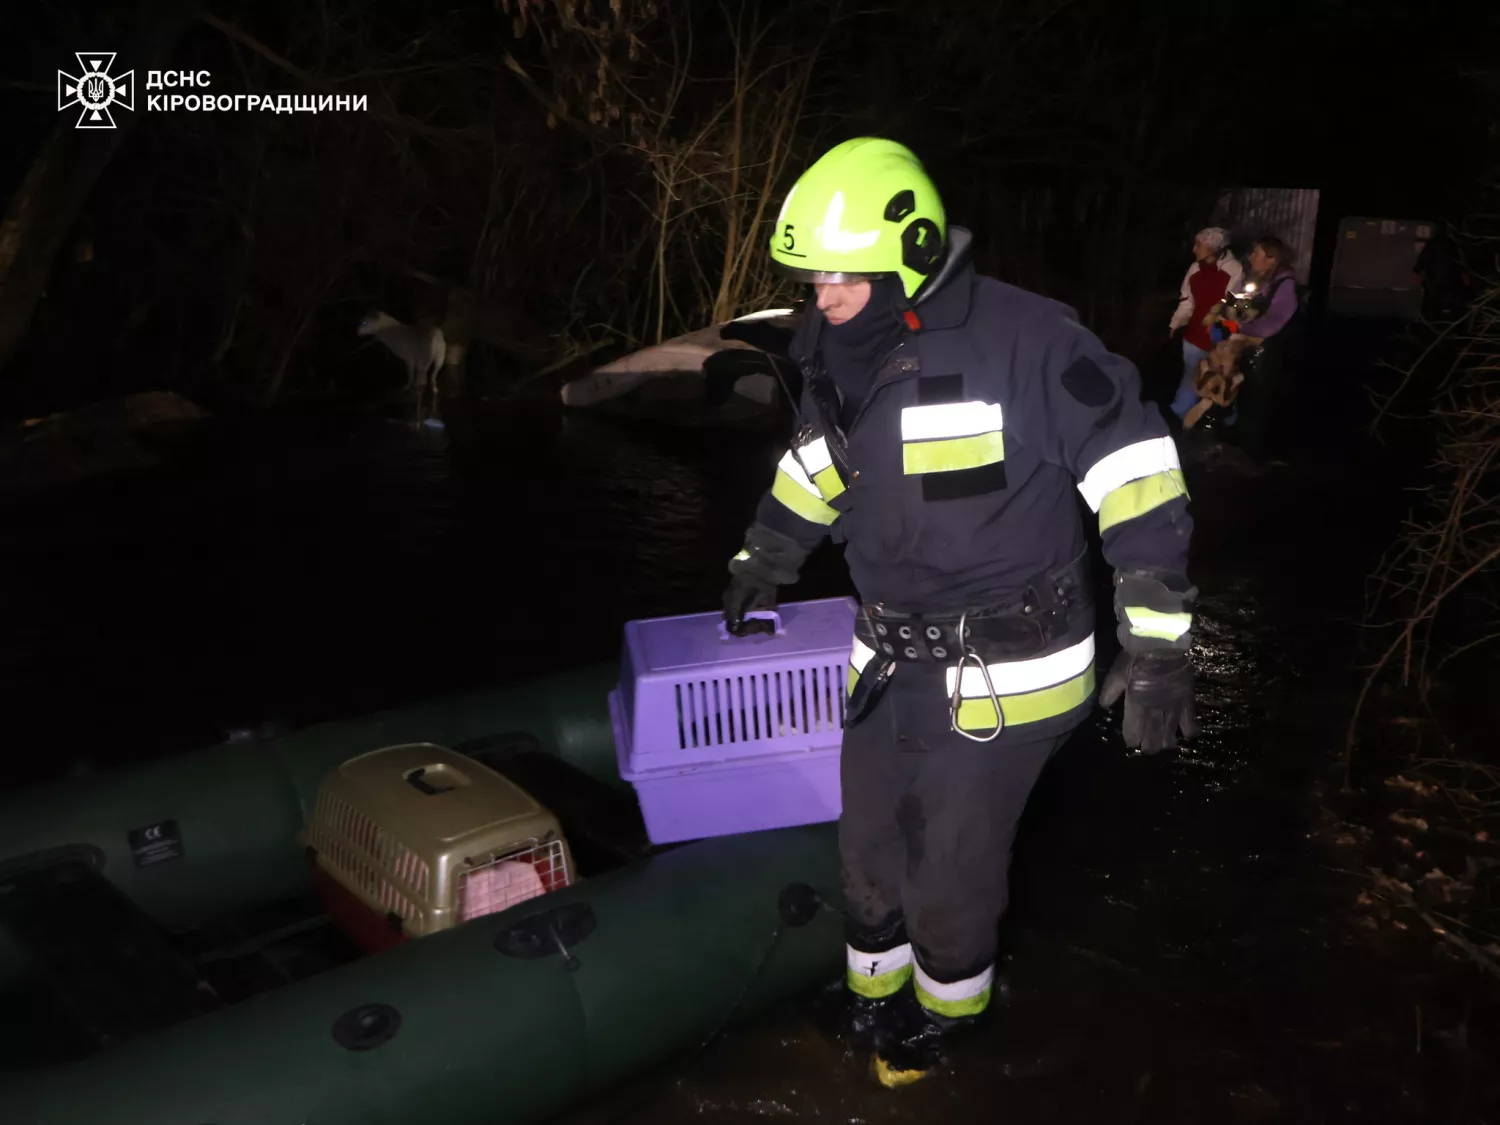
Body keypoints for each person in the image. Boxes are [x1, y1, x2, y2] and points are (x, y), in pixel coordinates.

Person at [721, 138, 1198, 1086]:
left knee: (949, 866)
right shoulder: (838, 348)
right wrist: (763, 558)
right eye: (811, 275)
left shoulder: (1027, 340)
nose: (820, 294)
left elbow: (1139, 475)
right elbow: (817, 465)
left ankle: (951, 1020)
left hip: (1004, 672)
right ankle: (871, 995)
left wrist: (1158, 649)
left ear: (913, 246)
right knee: (866, 844)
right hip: (889, 656)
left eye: (838, 275)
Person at [1221, 235, 1301, 460]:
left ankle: (1253, 455)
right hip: (1249, 350)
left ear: (1271, 259)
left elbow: (1276, 320)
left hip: (1267, 354)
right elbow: (1235, 303)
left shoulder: (1285, 285)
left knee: (1258, 403)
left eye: (1256, 253)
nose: (1251, 257)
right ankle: (1243, 446)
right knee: (1245, 398)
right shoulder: (1257, 280)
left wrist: (1245, 331)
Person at [1168, 228, 1243, 422]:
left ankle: (1225, 424)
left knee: (1222, 383)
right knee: (1191, 381)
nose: (1194, 249)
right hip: (1194, 337)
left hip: (1220, 343)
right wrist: (1175, 323)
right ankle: (1179, 420)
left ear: (1212, 247)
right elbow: (1187, 301)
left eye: (1199, 245)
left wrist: (1221, 342)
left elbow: (1232, 310)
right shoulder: (1195, 269)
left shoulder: (1233, 270)